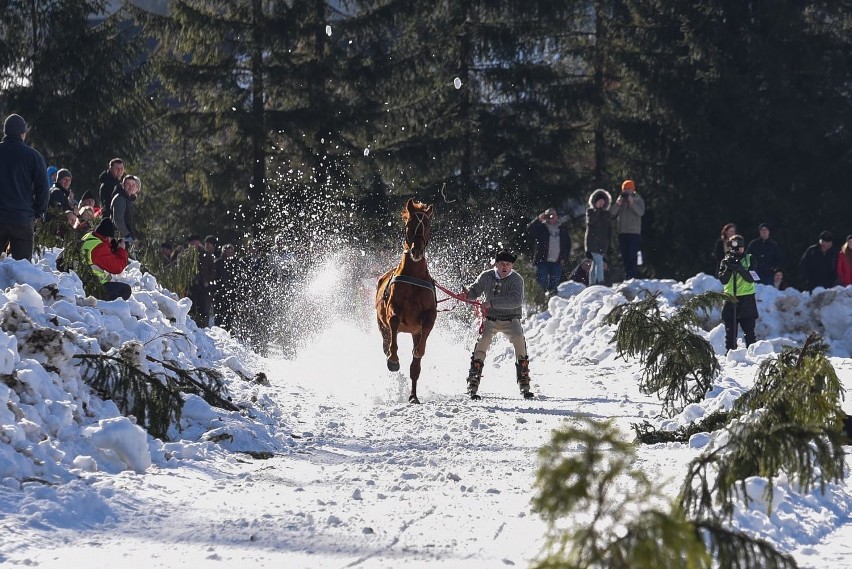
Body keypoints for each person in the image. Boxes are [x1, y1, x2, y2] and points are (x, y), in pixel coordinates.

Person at [463, 250, 533, 400]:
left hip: (511, 319)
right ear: (496, 264)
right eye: (502, 263)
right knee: (483, 341)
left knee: (519, 339)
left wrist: (491, 303)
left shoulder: (516, 280)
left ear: (512, 265)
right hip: (491, 319)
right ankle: (473, 381)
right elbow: (475, 290)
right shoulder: (486, 276)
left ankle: (524, 382)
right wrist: (468, 293)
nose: (504, 267)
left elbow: (516, 301)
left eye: (508, 264)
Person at [0, 114, 50, 261]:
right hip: (22, 218)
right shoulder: (33, 156)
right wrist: (39, 212)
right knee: (22, 267)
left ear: (5, 132)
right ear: (23, 133)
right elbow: (43, 188)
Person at [717, 234, 758, 351]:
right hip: (730, 299)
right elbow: (723, 280)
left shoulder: (750, 259)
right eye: (736, 248)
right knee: (730, 334)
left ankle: (753, 354)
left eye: (741, 247)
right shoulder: (725, 261)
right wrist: (729, 268)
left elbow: (752, 278)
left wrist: (739, 268)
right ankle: (730, 354)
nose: (739, 250)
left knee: (749, 332)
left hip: (747, 300)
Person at [81, 218, 131, 301]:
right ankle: (107, 308)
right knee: (125, 290)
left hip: (83, 282)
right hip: (91, 288)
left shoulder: (89, 238)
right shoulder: (99, 248)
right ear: (108, 237)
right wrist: (121, 249)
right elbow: (117, 268)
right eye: (111, 238)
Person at [526, 206, 571, 293]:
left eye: (553, 215)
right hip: (542, 260)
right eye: (548, 215)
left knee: (554, 284)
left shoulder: (562, 229)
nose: (551, 217)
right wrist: (538, 219)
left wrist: (564, 258)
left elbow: (568, 245)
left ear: (557, 216)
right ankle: (540, 302)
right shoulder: (541, 228)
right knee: (541, 284)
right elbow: (530, 229)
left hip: (557, 261)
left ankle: (552, 301)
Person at [610, 179, 646, 280]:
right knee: (625, 256)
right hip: (622, 232)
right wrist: (618, 204)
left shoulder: (638, 199)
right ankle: (627, 276)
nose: (627, 191)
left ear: (633, 189)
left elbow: (641, 212)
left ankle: (634, 277)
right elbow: (612, 213)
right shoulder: (620, 199)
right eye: (625, 189)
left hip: (634, 232)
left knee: (633, 256)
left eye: (629, 188)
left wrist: (632, 203)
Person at [187, 234, 216, 327]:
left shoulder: (205, 254)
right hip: (190, 284)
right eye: (191, 242)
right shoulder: (186, 255)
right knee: (191, 305)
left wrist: (207, 280)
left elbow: (212, 269)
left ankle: (202, 325)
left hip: (202, 284)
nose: (193, 244)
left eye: (195, 241)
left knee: (202, 306)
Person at [584, 189, 612, 285]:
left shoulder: (607, 214)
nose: (600, 203)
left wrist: (609, 243)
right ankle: (600, 282)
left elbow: (609, 229)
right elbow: (591, 221)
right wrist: (597, 210)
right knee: (599, 262)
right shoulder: (590, 211)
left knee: (595, 263)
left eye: (602, 201)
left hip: (602, 243)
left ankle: (592, 283)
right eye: (598, 201)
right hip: (592, 243)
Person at [111, 174, 141, 244]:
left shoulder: (128, 200)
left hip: (125, 238)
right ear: (123, 185)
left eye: (133, 185)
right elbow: (118, 220)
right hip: (120, 239)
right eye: (128, 184)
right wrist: (128, 236)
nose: (131, 187)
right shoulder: (120, 199)